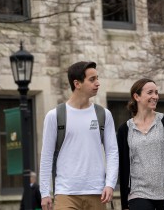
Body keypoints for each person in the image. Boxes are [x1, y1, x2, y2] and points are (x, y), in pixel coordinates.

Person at [39, 61, 119, 210]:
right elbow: (46, 156)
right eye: (92, 79)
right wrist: (44, 192)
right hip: (66, 194)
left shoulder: (103, 115)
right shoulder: (55, 116)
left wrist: (110, 184)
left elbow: (113, 152)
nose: (97, 83)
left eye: (97, 78)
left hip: (97, 193)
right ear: (77, 83)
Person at [117, 78, 164, 210]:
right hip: (138, 193)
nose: (155, 96)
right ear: (137, 96)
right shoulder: (125, 129)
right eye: (150, 92)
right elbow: (123, 166)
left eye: (156, 92)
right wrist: (124, 204)